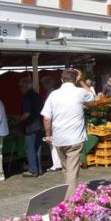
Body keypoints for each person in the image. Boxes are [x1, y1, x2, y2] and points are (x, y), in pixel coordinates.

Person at [41, 69, 95, 199]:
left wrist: (48, 135)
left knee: (66, 169)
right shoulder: (80, 92)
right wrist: (81, 80)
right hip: (75, 138)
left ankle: (67, 193)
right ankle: (69, 200)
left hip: (59, 139)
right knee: (72, 171)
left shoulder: (53, 94)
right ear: (75, 80)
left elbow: (46, 118)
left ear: (61, 79)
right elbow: (93, 97)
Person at [19, 78, 44, 178]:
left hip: (31, 126)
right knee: (37, 148)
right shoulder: (37, 96)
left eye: (20, 87)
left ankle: (33, 170)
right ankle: (39, 169)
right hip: (39, 125)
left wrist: (19, 120)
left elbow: (27, 113)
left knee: (30, 149)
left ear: (25, 87)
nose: (20, 89)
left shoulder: (26, 97)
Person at [40, 76, 62, 172]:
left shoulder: (51, 93)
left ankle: (56, 164)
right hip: (57, 120)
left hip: (52, 121)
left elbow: (48, 112)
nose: (43, 86)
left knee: (52, 143)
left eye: (44, 84)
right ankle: (59, 163)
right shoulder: (56, 92)